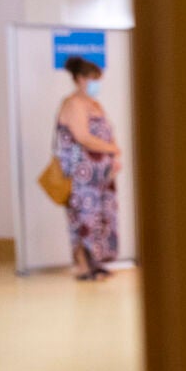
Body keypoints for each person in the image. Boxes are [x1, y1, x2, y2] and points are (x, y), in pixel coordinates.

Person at [54, 56, 122, 280]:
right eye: (93, 79)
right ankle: (84, 266)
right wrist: (112, 148)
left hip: (102, 174)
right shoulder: (72, 103)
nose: (96, 84)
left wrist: (114, 155)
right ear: (80, 79)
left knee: (102, 217)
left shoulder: (95, 104)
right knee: (84, 217)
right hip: (81, 174)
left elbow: (108, 133)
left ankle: (97, 262)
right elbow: (82, 137)